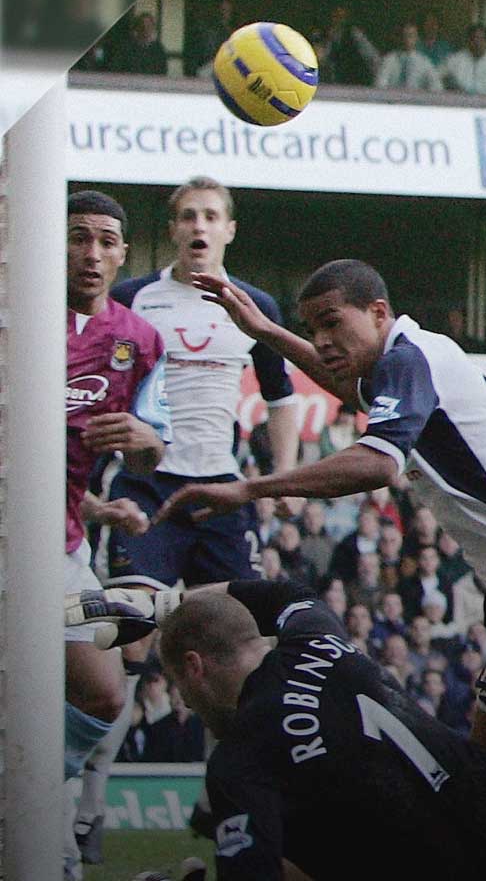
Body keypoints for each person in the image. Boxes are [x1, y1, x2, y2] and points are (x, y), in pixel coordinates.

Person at [159, 263, 486, 795]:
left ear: (378, 312)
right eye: (314, 328)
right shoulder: (412, 356)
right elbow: (341, 377)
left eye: (333, 323)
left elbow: (378, 464)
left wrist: (251, 488)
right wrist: (266, 332)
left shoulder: (408, 363)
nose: (323, 341)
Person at [71, 579, 486, 880]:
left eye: (180, 688)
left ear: (194, 669)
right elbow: (284, 592)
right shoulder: (319, 634)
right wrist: (168, 603)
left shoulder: (243, 756)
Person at [85, 177, 303, 860]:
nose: (198, 227)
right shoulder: (134, 298)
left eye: (211, 216)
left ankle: (225, 800)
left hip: (221, 498)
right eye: (187, 217)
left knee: (234, 656)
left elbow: (281, 397)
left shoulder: (254, 306)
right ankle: (89, 804)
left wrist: (280, 482)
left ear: (229, 230)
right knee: (126, 640)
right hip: (149, 493)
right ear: (173, 231)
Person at [61, 190, 171, 881]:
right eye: (78, 237)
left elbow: (149, 453)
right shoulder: (20, 318)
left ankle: (44, 789)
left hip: (64, 542)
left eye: (105, 240)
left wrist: (142, 441)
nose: (92, 252)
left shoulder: (140, 340)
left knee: (106, 687)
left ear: (124, 254)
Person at [443, 24, 486, 96]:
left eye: (481, 39)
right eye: (474, 38)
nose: (477, 43)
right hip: (458, 103)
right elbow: (439, 81)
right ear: (468, 40)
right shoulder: (453, 60)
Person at [374, 22, 443, 91]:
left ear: (416, 38)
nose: (407, 39)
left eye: (411, 36)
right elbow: (380, 84)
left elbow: (437, 87)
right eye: (404, 36)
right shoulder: (389, 60)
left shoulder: (424, 62)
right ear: (399, 38)